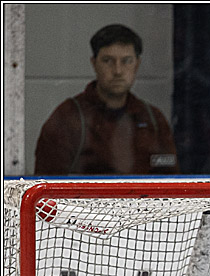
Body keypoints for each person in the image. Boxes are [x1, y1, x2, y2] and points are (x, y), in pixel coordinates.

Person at [34, 24, 178, 176]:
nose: (117, 71)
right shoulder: (68, 118)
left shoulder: (153, 119)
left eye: (126, 61)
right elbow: (46, 189)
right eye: (108, 61)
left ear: (137, 65)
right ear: (94, 63)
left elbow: (171, 186)